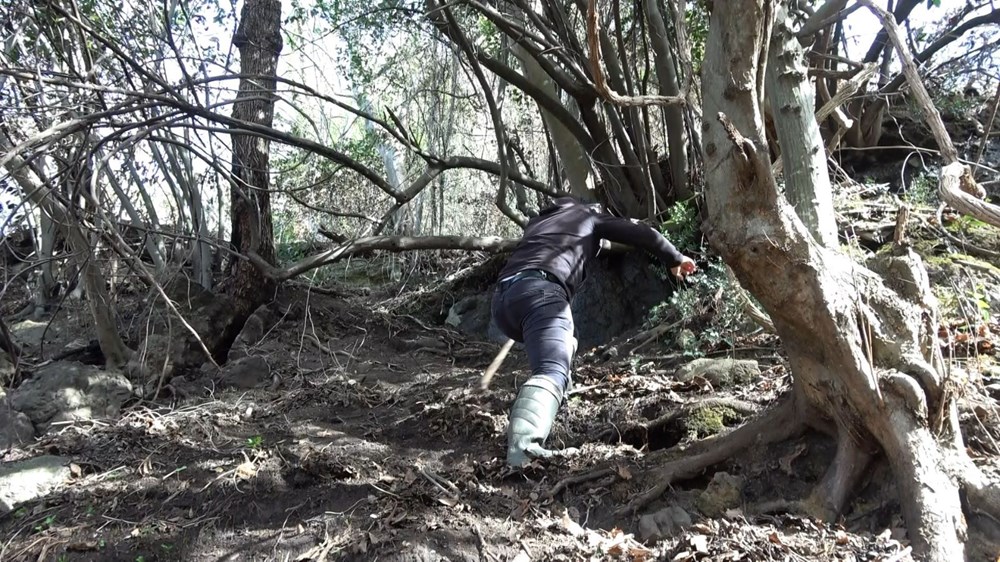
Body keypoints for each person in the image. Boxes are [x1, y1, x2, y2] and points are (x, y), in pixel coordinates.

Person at [492, 196, 697, 467]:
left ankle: (556, 401)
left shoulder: (538, 223)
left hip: (504, 299)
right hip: (541, 293)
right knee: (551, 369)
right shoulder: (588, 216)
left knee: (564, 345)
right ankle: (523, 451)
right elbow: (642, 233)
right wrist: (674, 257)